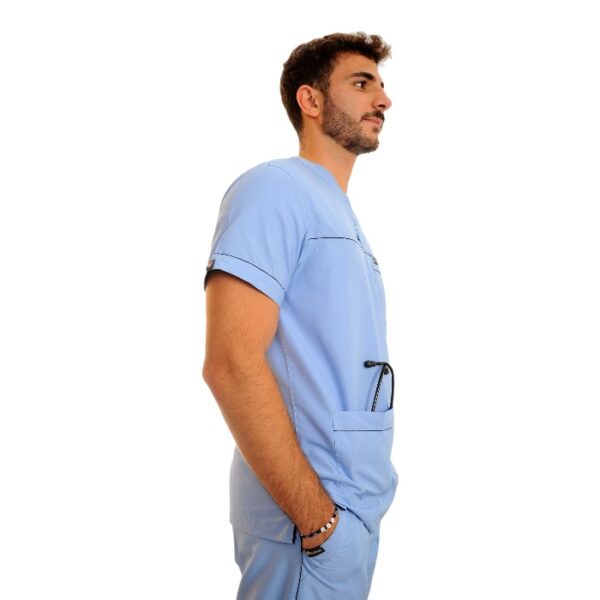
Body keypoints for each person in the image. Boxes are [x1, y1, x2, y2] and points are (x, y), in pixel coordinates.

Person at [203, 31, 397, 599]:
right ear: (310, 100)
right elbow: (231, 363)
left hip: (348, 515)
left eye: (381, 85)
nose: (383, 100)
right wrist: (318, 524)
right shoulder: (274, 190)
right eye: (361, 83)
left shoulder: (336, 210)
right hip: (307, 526)